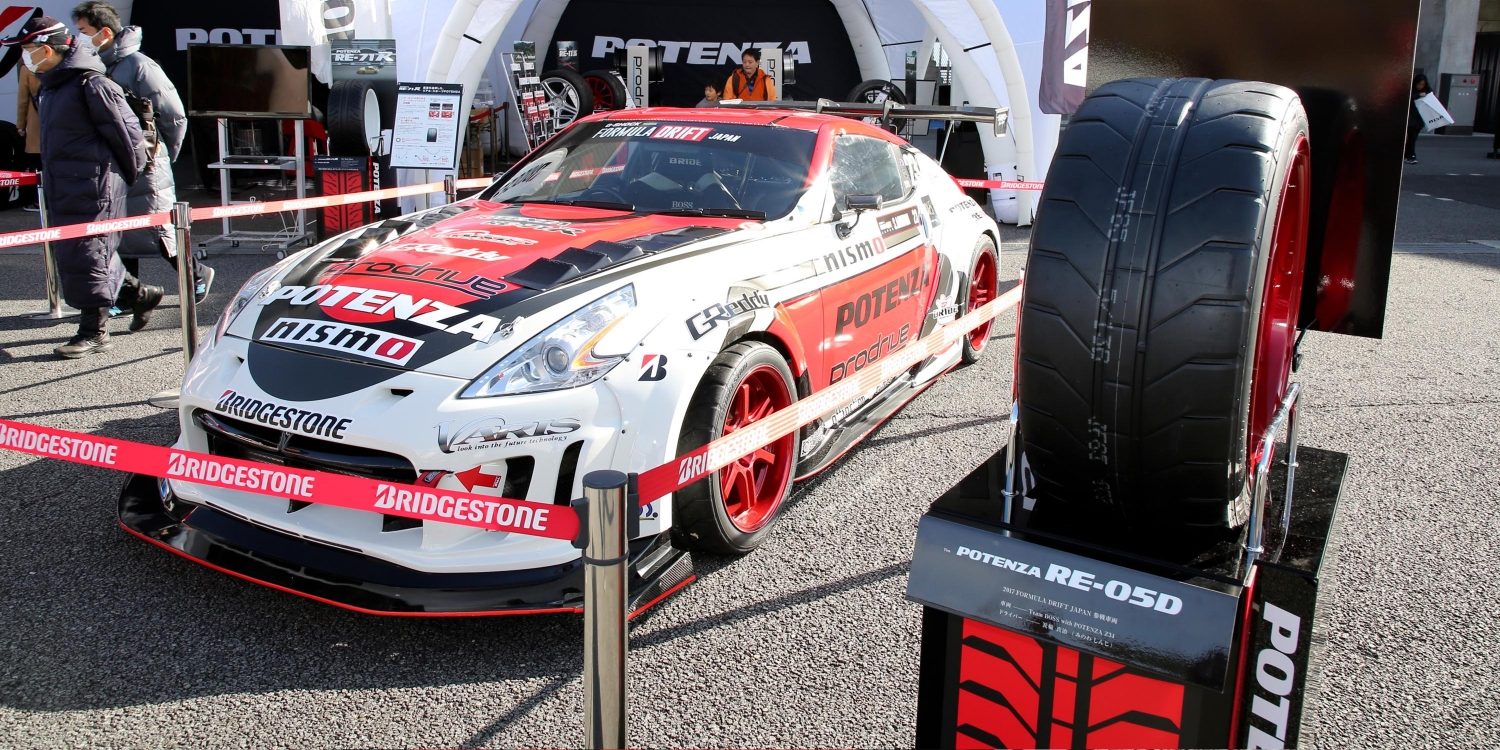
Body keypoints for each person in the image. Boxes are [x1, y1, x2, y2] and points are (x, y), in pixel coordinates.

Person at [3, 16, 159, 358]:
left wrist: (120, 182)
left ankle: (95, 331)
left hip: (95, 185)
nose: (26, 59)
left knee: (90, 254)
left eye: (28, 51)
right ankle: (138, 294)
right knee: (80, 255)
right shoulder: (55, 83)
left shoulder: (92, 83)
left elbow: (128, 136)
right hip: (66, 183)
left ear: (46, 49)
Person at [72, 1, 213, 302]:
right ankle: (129, 296)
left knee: (160, 228)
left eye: (84, 31)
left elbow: (174, 115)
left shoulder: (139, 65)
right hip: (114, 161)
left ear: (105, 32)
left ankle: (197, 274)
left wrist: (162, 155)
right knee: (119, 231)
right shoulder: (98, 65)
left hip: (147, 160)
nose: (80, 37)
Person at [15, 63, 41, 211]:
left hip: (35, 122)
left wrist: (20, 124)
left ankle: (37, 201)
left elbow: (23, 100)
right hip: (56, 121)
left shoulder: (27, 68)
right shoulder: (61, 61)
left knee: (36, 165)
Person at [1406, 74, 1431, 165]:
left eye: (1422, 84)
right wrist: (1418, 95)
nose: (1420, 86)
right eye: (1419, 84)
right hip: (1410, 118)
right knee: (1411, 138)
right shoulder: (1411, 91)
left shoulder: (1427, 91)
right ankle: (1411, 155)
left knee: (1413, 138)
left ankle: (1408, 155)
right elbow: (1409, 97)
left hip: (1420, 119)